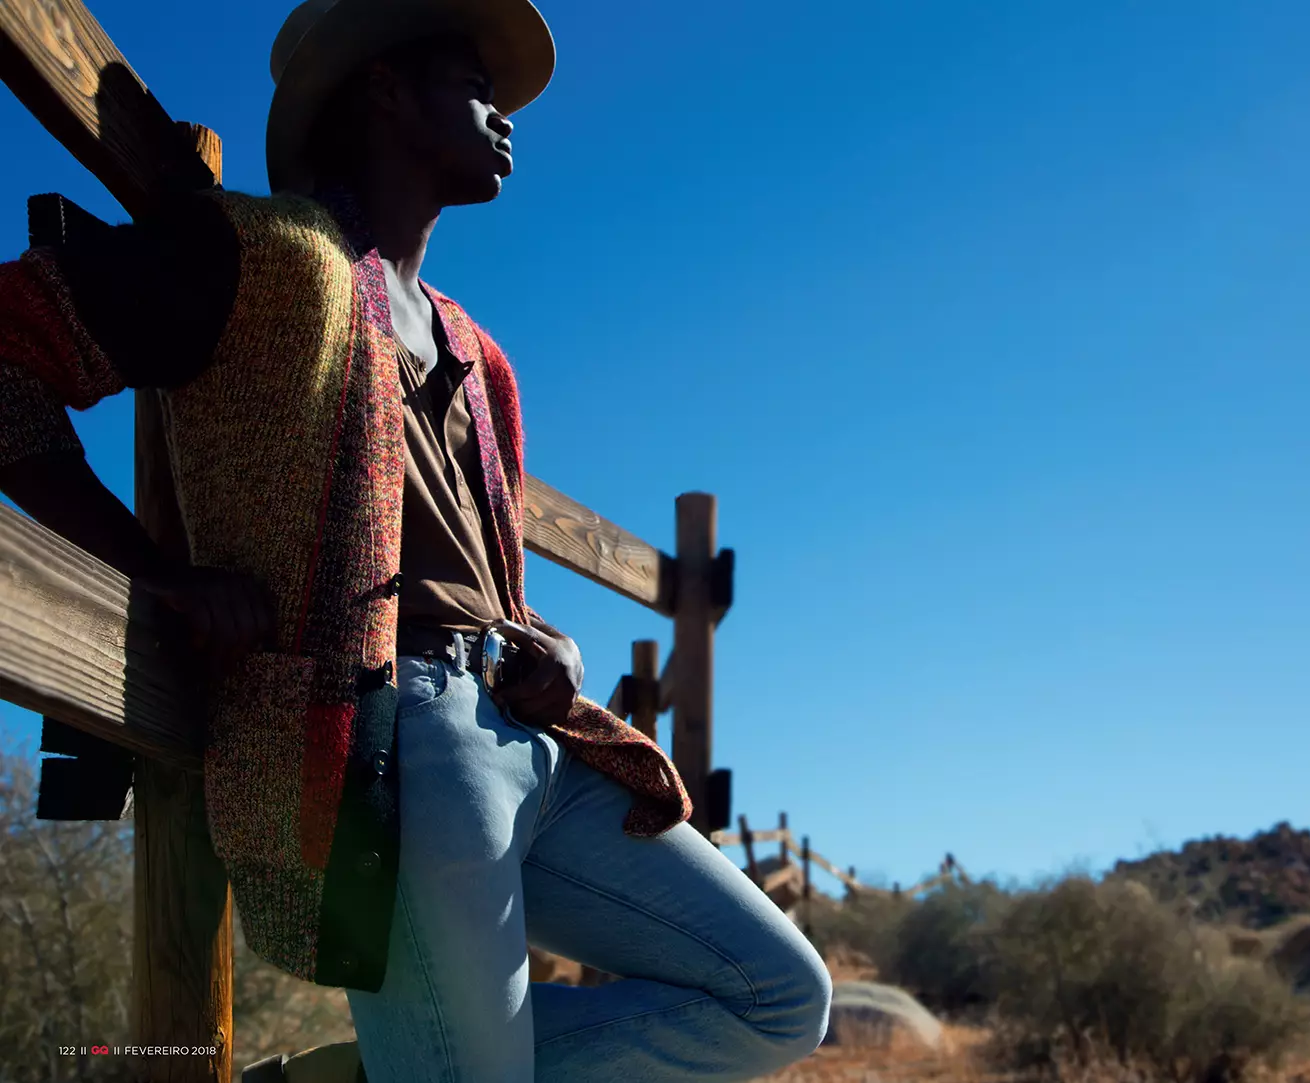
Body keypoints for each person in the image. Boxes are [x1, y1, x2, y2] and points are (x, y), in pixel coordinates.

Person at [0, 0, 831, 1079]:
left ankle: (387, 1071)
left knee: (780, 997)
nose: (506, 117)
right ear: (385, 90)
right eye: (474, 85)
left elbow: (479, 569)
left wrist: (549, 645)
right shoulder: (261, 258)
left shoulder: (481, 358)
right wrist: (159, 577)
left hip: (539, 735)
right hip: (393, 736)